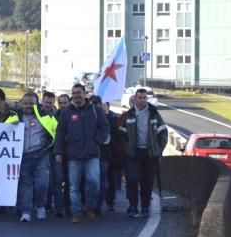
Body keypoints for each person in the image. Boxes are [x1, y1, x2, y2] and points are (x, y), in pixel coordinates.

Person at [53, 84, 109, 223]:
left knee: (94, 182)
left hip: (92, 154)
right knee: (73, 186)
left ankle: (90, 207)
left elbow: (105, 127)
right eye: (74, 93)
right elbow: (60, 133)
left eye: (79, 92)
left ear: (85, 94)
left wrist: (98, 141)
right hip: (73, 155)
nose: (77, 95)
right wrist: (58, 152)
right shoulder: (66, 112)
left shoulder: (96, 110)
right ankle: (76, 212)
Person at [118, 88, 169, 218]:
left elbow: (163, 133)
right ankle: (133, 206)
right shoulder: (129, 115)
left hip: (150, 154)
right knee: (132, 179)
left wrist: (158, 150)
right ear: (135, 99)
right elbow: (121, 135)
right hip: (134, 154)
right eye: (139, 98)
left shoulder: (154, 114)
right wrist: (127, 149)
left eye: (144, 98)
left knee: (147, 181)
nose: (142, 100)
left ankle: (145, 206)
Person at [15, 92, 56, 222]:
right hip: (23, 156)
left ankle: (40, 206)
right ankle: (26, 212)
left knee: (42, 184)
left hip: (41, 154)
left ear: (36, 104)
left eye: (31, 103)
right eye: (25, 103)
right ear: (21, 103)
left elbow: (58, 131)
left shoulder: (46, 117)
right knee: (25, 185)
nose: (28, 106)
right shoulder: (14, 116)